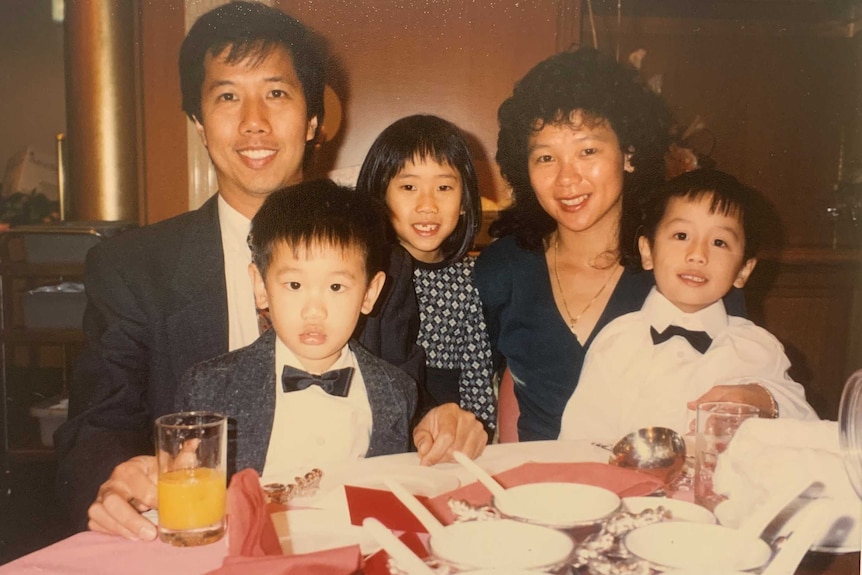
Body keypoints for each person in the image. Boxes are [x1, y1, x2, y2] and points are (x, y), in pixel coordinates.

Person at [57, 1, 485, 536]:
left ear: (313, 121)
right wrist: (115, 478)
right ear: (197, 122)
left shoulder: (381, 259)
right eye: (228, 96)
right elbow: (96, 426)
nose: (254, 122)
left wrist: (443, 418)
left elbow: (405, 396)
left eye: (276, 93)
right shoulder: (132, 268)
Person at [474, 47, 751, 441]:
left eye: (588, 151)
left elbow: (750, 382)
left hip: (653, 489)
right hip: (536, 490)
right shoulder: (502, 268)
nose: (567, 179)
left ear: (629, 153)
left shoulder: (689, 262)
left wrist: (763, 398)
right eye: (546, 158)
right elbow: (498, 381)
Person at [558, 169, 819, 443]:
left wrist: (761, 399)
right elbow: (579, 441)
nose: (698, 254)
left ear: (744, 269)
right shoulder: (616, 342)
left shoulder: (758, 347)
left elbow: (806, 428)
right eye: (681, 236)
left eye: (719, 242)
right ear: (648, 251)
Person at [356, 115, 495, 432]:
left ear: (464, 202)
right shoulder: (364, 273)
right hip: (375, 421)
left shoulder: (472, 277)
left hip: (444, 427)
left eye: (444, 187)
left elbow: (477, 369)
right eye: (408, 186)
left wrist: (478, 430)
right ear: (380, 196)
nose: (428, 205)